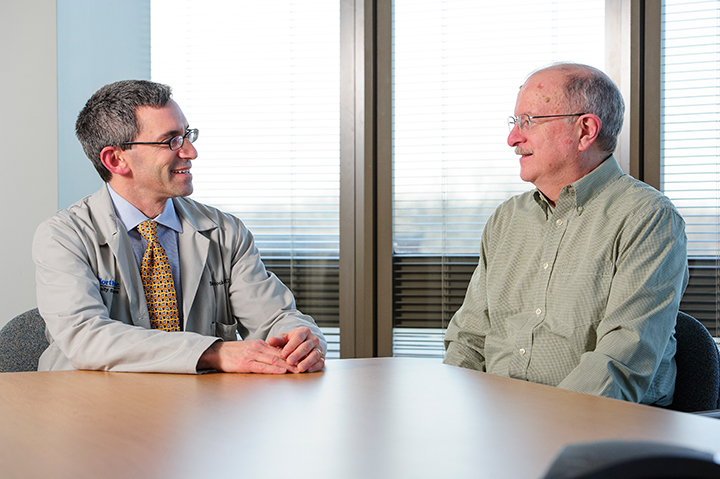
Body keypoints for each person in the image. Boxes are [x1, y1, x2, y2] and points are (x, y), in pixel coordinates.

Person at [33, 80, 326, 374]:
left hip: (199, 407)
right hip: (88, 406)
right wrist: (213, 353)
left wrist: (299, 338)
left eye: (187, 135)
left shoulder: (225, 232)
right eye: (171, 140)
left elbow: (275, 317)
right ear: (116, 160)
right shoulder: (63, 237)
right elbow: (87, 338)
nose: (190, 152)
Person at [443, 63, 688, 405]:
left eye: (527, 121)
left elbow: (619, 362)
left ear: (585, 130)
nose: (513, 138)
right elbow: (468, 339)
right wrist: (450, 408)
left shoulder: (647, 218)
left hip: (598, 431)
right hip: (498, 424)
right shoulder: (506, 220)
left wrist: (544, 429)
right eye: (514, 123)